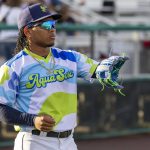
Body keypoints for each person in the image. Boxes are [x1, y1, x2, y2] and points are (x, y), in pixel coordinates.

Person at [0, 3, 128, 150]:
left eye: (54, 23)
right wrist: (32, 120)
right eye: (46, 25)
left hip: (68, 142)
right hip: (34, 141)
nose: (53, 29)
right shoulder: (13, 67)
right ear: (28, 31)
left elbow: (98, 70)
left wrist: (106, 70)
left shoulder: (70, 57)